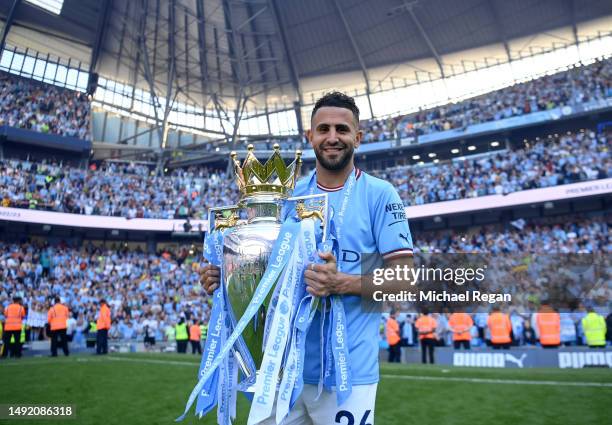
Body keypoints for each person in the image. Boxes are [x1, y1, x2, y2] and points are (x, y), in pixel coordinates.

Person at [202, 91, 413, 424]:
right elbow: (265, 277)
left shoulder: (379, 194)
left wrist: (340, 282)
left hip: (348, 376)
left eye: (342, 130)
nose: (332, 137)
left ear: (357, 137)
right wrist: (229, 279)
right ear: (310, 137)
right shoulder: (286, 197)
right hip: (282, 370)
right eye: (324, 129)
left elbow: (404, 279)